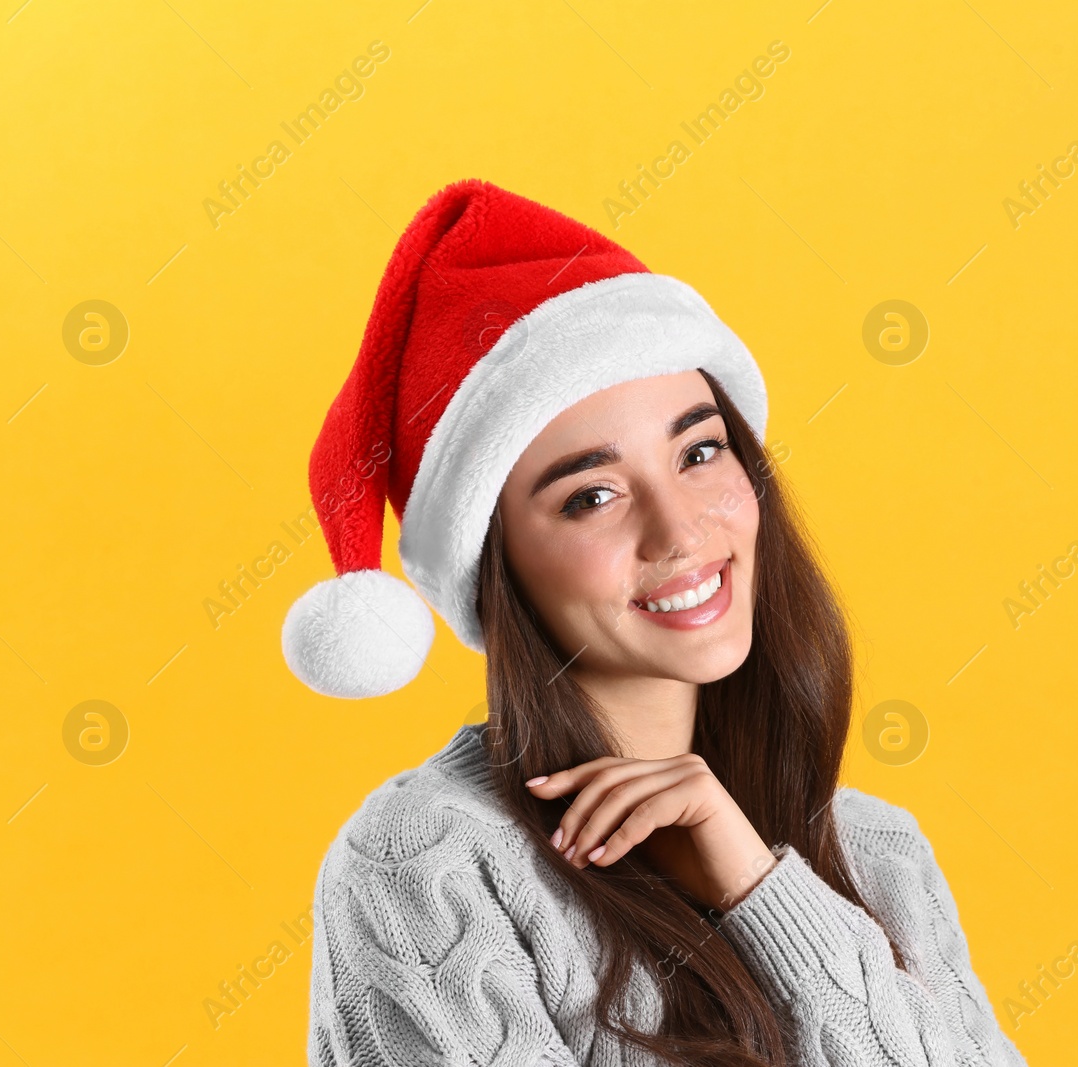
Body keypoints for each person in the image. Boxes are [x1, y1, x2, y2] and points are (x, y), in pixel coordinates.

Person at [282, 178, 1029, 1066]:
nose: (680, 531)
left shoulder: (876, 852)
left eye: (700, 450)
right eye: (591, 495)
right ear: (498, 565)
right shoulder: (427, 866)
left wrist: (757, 885)